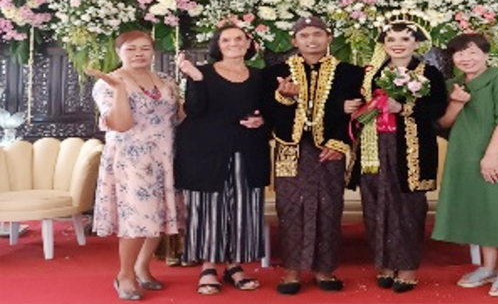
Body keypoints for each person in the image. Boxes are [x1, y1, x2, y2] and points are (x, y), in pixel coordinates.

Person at [262, 16, 363, 295]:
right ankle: (292, 270)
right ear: (294, 41)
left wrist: (340, 143)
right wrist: (286, 98)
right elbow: (268, 113)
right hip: (290, 148)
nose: (311, 40)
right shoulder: (275, 73)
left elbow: (358, 113)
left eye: (317, 34)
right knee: (290, 207)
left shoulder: (349, 73)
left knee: (328, 206)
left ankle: (324, 269)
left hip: (329, 148)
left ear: (329, 38)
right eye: (304, 35)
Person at [348, 14, 447, 293]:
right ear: (384, 43)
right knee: (375, 204)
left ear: (416, 43)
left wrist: (402, 108)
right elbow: (358, 106)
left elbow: (437, 108)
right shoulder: (370, 73)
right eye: (391, 39)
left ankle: (408, 267)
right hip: (373, 148)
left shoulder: (429, 73)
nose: (398, 44)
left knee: (407, 207)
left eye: (405, 38)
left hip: (410, 150)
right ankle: (385, 263)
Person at [432, 34, 498, 297]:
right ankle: (488, 266)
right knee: (480, 208)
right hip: (464, 155)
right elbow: (442, 123)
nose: (466, 58)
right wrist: (456, 103)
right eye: (459, 53)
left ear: (486, 54)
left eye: (472, 52)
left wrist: (492, 155)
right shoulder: (453, 84)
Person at [174, 24, 271, 295]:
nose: (233, 43)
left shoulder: (259, 76)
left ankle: (234, 265)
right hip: (205, 153)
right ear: (218, 45)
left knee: (243, 209)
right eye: (226, 40)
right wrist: (195, 79)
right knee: (208, 209)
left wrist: (262, 120)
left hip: (247, 151)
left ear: (248, 43)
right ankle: (208, 267)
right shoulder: (202, 72)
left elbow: (269, 111)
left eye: (239, 38)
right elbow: (194, 110)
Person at [89, 30, 181, 301]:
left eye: (145, 48)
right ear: (119, 52)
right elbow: (121, 124)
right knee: (138, 216)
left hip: (164, 155)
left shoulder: (165, 79)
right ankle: (125, 275)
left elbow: (178, 116)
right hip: (131, 158)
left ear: (153, 51)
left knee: (159, 214)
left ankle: (142, 267)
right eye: (131, 49)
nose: (139, 54)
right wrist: (120, 90)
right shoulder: (108, 83)